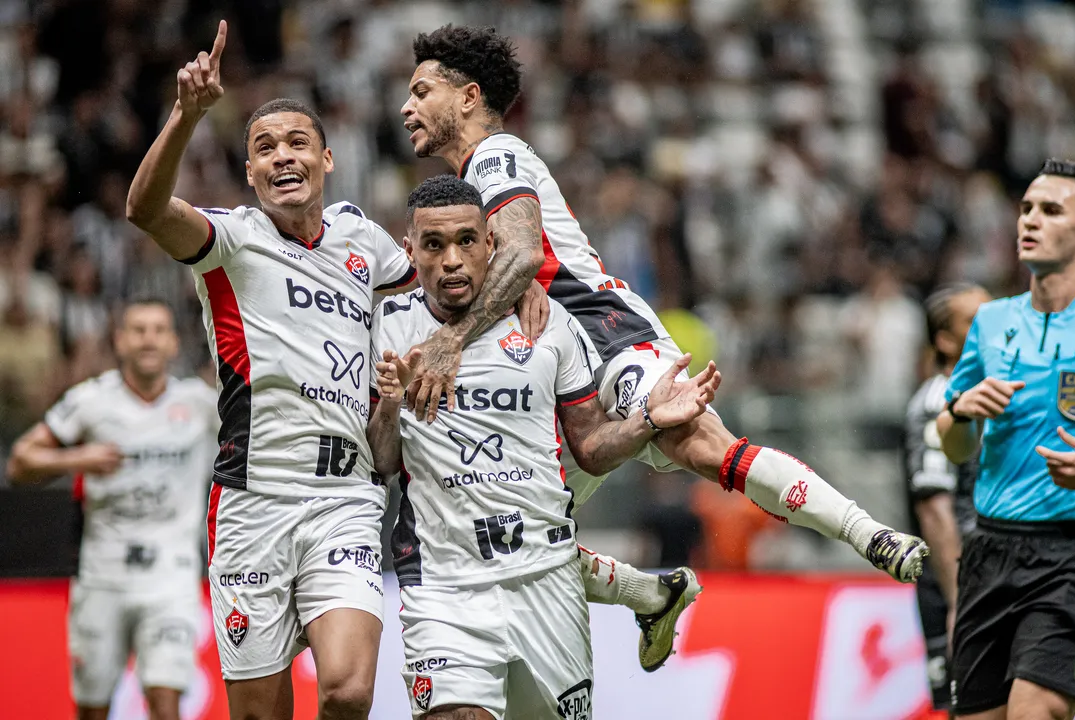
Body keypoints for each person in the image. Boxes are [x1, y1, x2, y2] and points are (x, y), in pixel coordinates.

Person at [398, 24, 928, 671]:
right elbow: (510, 263)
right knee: (507, 534)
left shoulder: (496, 155)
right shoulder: (462, 191)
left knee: (701, 445)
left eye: (422, 91)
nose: (407, 107)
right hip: (553, 371)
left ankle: (869, 535)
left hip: (606, 335)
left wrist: (450, 341)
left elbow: (526, 250)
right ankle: (652, 593)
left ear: (468, 96)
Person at [123, 22, 545, 719]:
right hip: (253, 498)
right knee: (261, 713)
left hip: (346, 497)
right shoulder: (231, 240)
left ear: (326, 159)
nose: (282, 157)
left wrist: (509, 278)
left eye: (296, 144)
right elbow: (143, 209)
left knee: (348, 691)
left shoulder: (361, 239)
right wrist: (187, 114)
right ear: (251, 172)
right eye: (264, 149)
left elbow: (443, 274)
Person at [368, 175, 721, 719]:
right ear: (410, 250)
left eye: (467, 240)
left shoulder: (549, 321)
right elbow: (384, 462)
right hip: (443, 582)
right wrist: (389, 404)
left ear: (492, 243)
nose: (453, 260)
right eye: (434, 245)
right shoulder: (387, 325)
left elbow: (591, 447)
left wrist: (650, 419)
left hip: (546, 576)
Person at [6, 298, 218, 720]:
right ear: (120, 341)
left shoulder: (200, 404)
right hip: (102, 575)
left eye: (158, 330)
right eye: (138, 330)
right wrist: (77, 459)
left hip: (170, 575)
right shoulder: (91, 401)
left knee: (166, 700)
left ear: (174, 343)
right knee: (92, 708)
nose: (148, 340)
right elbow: (19, 462)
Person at [938, 158, 1075, 720]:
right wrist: (960, 412)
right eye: (1025, 209)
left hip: (1070, 553)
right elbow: (953, 445)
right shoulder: (992, 322)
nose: (1030, 220)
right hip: (990, 550)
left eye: (1050, 210)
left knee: (1034, 709)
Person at [904, 283, 989, 713]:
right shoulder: (937, 400)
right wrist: (960, 601)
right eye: (974, 320)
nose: (989, 325)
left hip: (996, 577)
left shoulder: (994, 394)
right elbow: (934, 507)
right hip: (959, 582)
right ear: (945, 339)